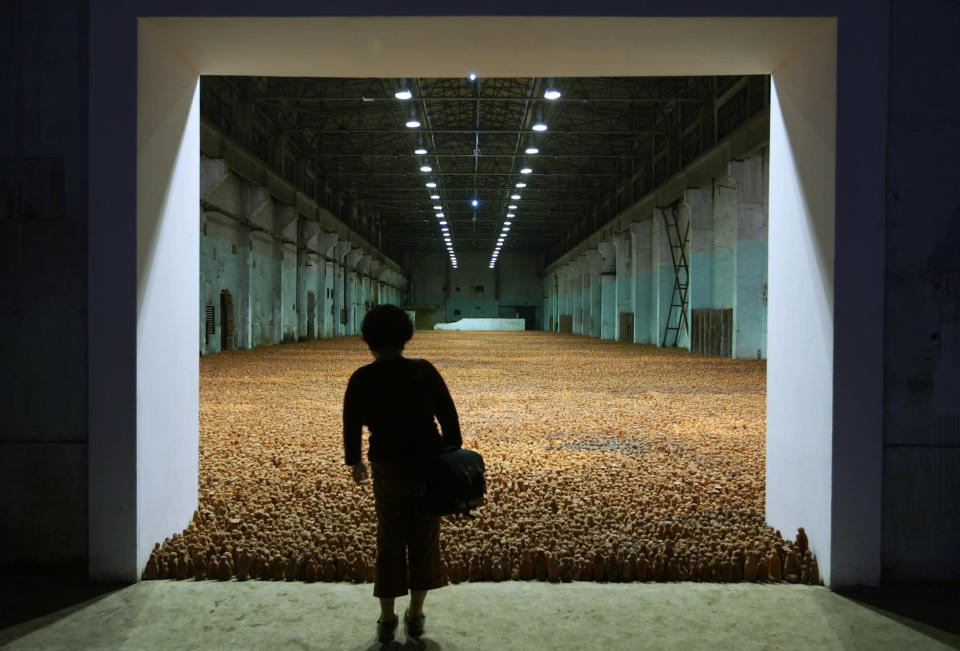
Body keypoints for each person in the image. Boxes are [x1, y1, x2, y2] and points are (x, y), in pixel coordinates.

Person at [342, 304, 462, 645]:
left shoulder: (362, 378)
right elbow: (449, 417)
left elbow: (351, 424)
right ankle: (416, 615)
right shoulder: (423, 371)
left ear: (369, 340)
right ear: (405, 337)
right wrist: (451, 449)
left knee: (389, 537)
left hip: (387, 466)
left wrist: (355, 462)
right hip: (427, 463)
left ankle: (387, 617)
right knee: (424, 536)